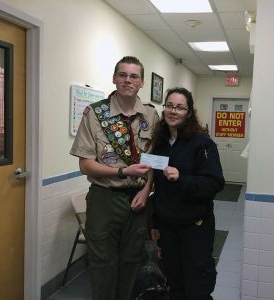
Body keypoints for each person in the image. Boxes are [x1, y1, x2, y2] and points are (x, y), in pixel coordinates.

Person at [70, 56, 159, 300]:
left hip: (138, 201)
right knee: (102, 265)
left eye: (133, 76)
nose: (127, 80)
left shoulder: (151, 116)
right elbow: (85, 165)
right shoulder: (95, 113)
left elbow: (154, 162)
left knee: (132, 260)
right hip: (104, 199)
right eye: (122, 75)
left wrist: (146, 190)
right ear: (114, 78)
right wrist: (122, 171)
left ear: (141, 82)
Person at [151, 87, 225, 300]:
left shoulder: (202, 143)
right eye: (170, 106)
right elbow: (159, 188)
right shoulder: (160, 143)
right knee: (174, 284)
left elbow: (214, 183)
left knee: (197, 287)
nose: (173, 111)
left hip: (195, 228)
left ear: (189, 112)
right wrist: (156, 224)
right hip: (168, 228)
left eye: (180, 107)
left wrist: (181, 179)